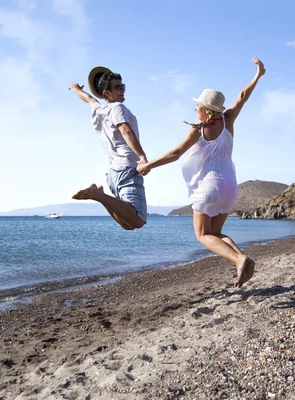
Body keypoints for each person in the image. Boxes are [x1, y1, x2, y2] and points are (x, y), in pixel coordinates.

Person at [137, 58, 266, 287]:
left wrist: (148, 165)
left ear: (206, 110)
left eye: (197, 106)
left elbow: (176, 153)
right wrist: (258, 75)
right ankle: (243, 260)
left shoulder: (199, 130)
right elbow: (243, 96)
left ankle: (238, 258)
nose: (195, 109)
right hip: (230, 186)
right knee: (216, 233)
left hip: (209, 187)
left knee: (202, 235)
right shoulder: (228, 119)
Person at [68, 67, 148, 230]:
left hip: (113, 173)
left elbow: (89, 99)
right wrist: (142, 156)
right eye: (118, 87)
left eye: (123, 86)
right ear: (106, 92)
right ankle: (98, 195)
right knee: (138, 220)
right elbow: (125, 130)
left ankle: (100, 194)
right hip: (128, 167)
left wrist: (75, 89)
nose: (123, 89)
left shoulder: (98, 109)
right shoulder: (117, 108)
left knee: (128, 225)